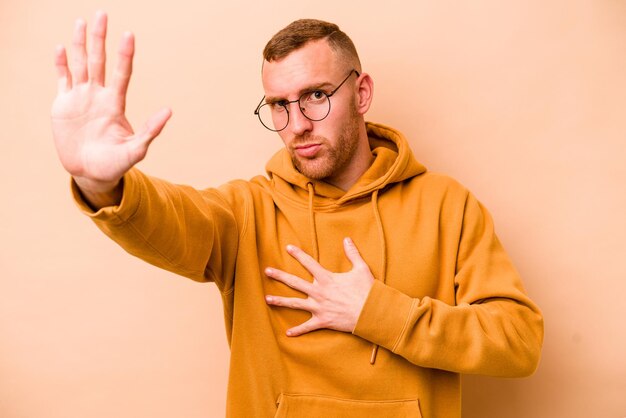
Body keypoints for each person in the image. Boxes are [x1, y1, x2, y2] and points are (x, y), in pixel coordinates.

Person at [51, 11, 544, 418]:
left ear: (362, 92)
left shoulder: (446, 204)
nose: (298, 125)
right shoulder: (247, 211)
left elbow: (518, 341)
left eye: (316, 95)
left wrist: (377, 312)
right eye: (279, 105)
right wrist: (102, 184)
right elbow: (171, 217)